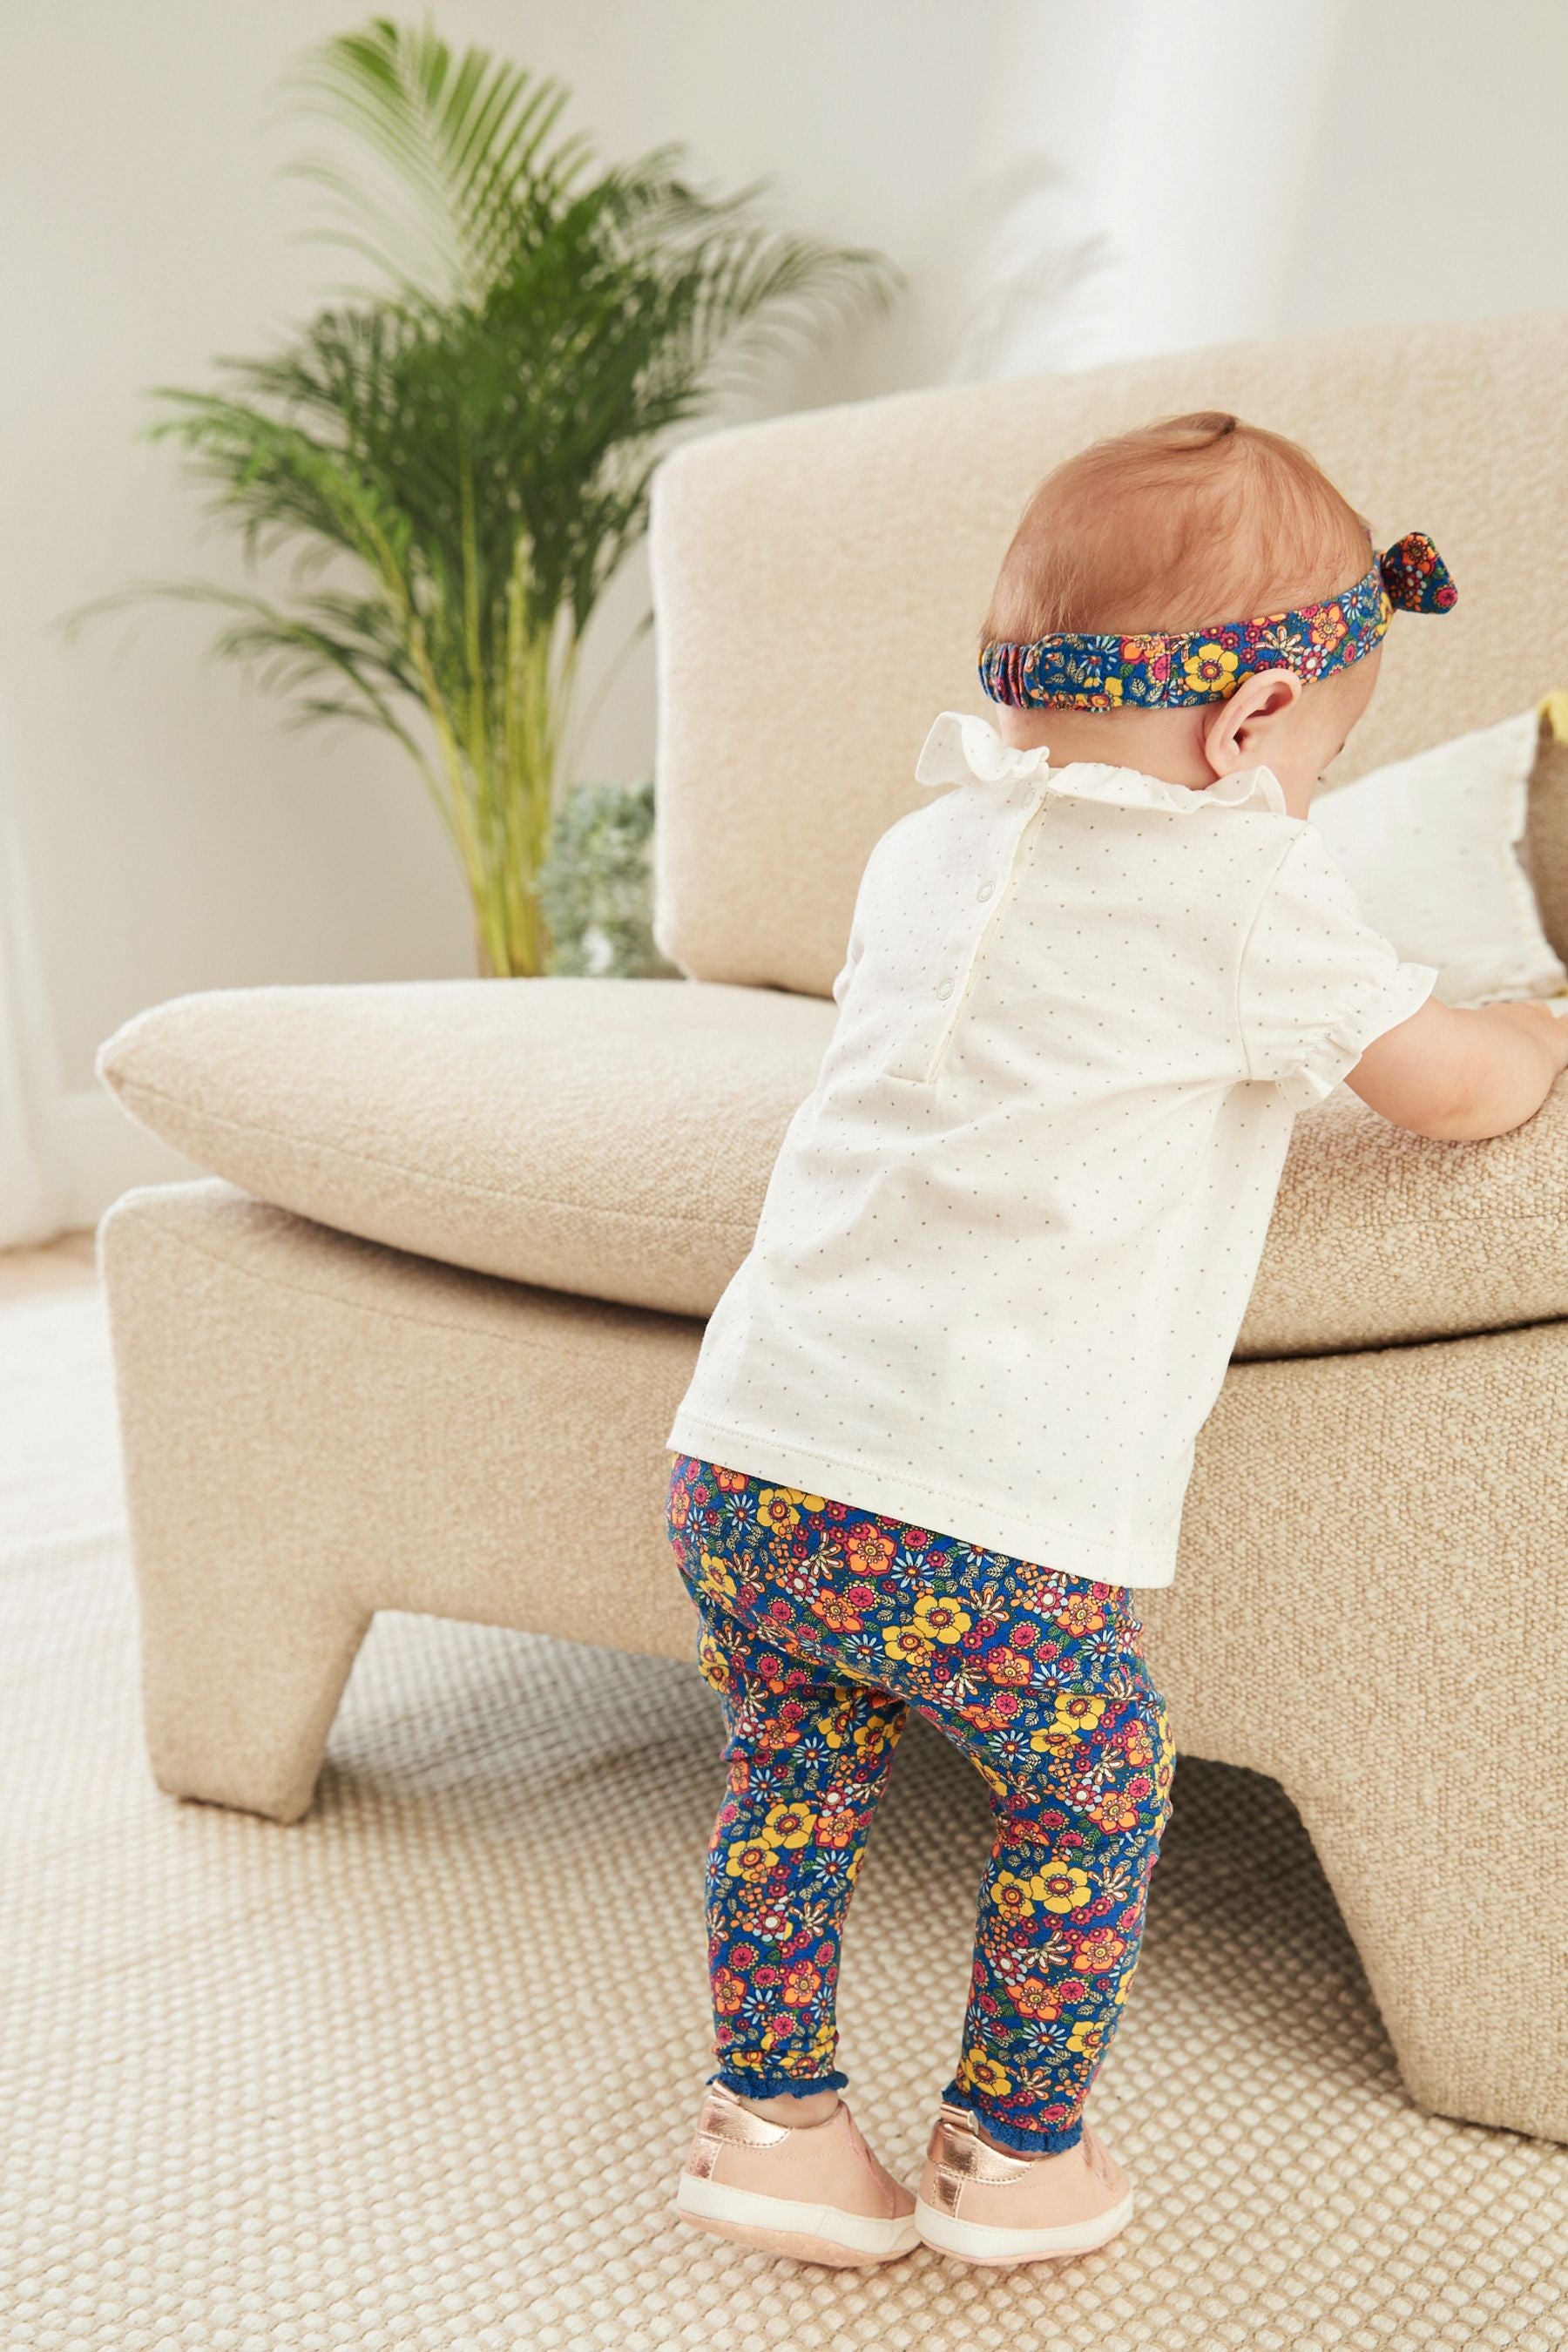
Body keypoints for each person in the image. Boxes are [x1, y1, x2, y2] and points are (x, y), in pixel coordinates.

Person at [661, 413, 1568, 2270]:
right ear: (1246, 731)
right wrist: (1532, 1033)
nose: (1305, 792)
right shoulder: (1239, 884)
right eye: (1322, 756)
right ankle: (1016, 2148)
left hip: (749, 1449)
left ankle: (769, 2121)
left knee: (794, 1768)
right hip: (970, 1499)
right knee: (1093, 1776)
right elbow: (1453, 1096)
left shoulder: (922, 851)